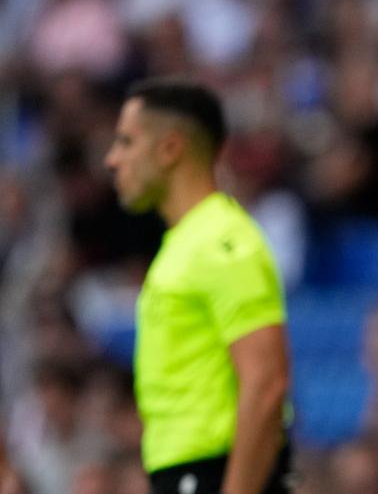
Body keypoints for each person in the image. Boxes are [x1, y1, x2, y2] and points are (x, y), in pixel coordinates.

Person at [104, 80, 292, 494]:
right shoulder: (185, 244)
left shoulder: (221, 242)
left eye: (126, 142)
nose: (112, 159)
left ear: (170, 149)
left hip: (212, 475)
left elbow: (266, 382)